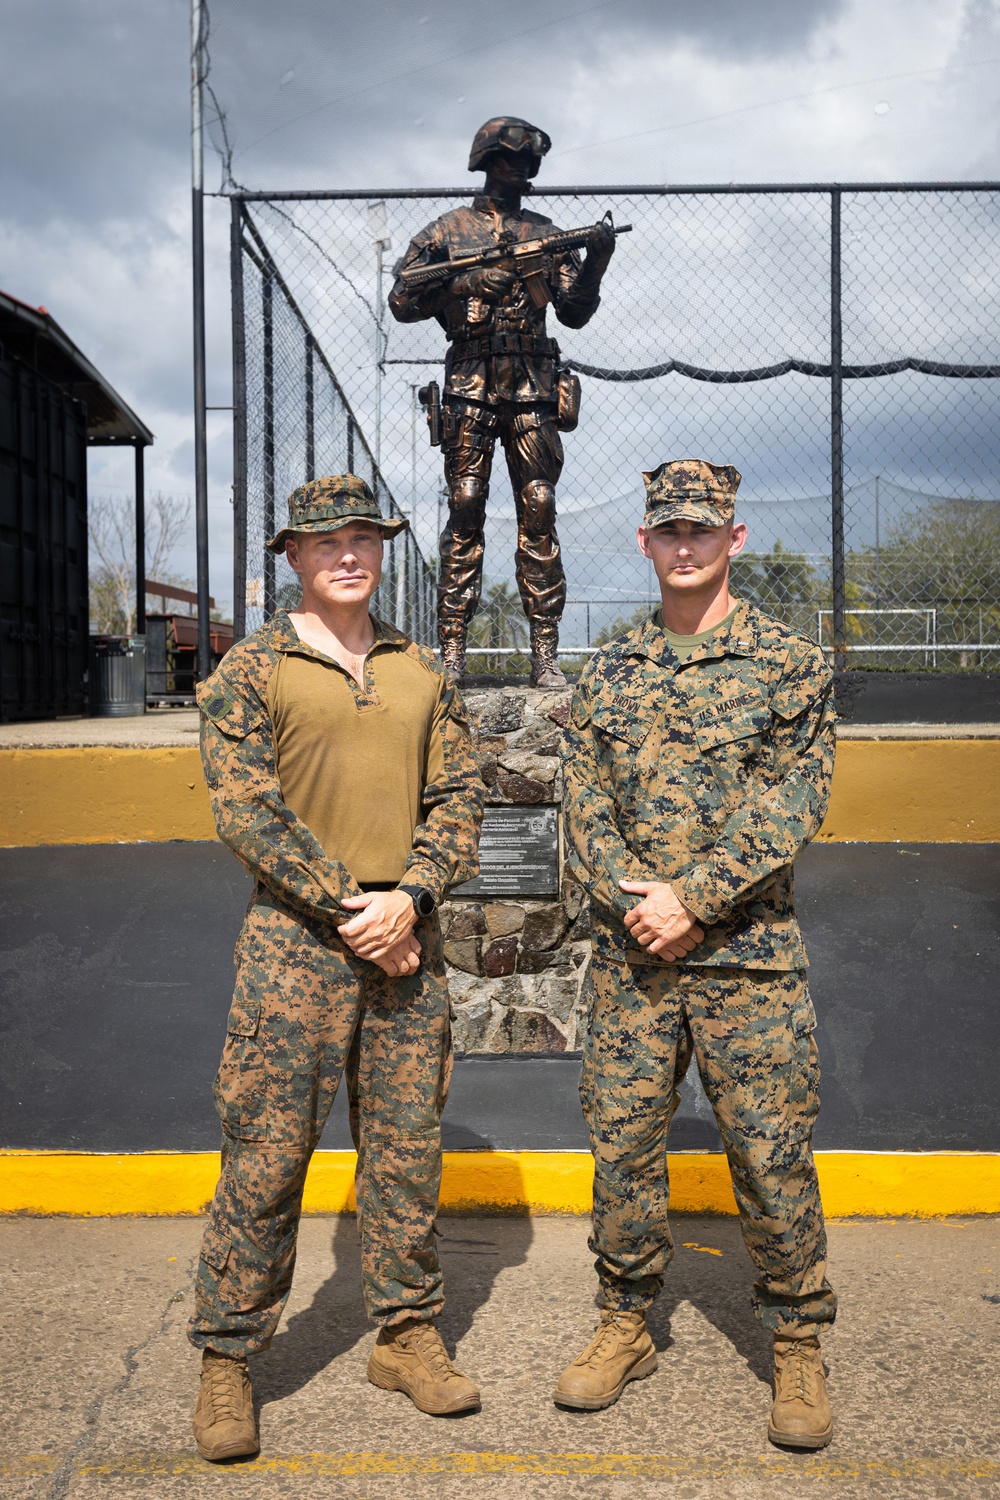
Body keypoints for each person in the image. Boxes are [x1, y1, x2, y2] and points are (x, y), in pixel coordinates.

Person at [187, 475, 484, 1463]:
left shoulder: (419, 671)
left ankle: (404, 1337)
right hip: (296, 949)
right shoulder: (250, 671)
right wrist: (357, 907)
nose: (349, 554)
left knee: (403, 1155)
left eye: (364, 538)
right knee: (267, 1159)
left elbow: (458, 801)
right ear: (294, 558)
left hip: (408, 937)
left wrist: (414, 896)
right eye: (327, 542)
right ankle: (229, 1360)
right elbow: (246, 811)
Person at [557, 459, 837, 1450]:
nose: (684, 544)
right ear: (643, 543)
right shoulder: (608, 674)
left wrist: (692, 899)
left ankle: (796, 1340)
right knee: (624, 1151)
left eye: (701, 530)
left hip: (745, 959)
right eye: (667, 530)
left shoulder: (790, 666)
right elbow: (583, 806)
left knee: (770, 1157)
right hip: (636, 959)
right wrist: (640, 906)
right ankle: (625, 1320)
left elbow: (791, 804)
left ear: (734, 538)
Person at [389, 115, 617, 689]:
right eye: (514, 159)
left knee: (538, 508)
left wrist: (597, 260)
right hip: (469, 380)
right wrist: (465, 285)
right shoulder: (447, 230)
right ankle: (452, 653)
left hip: (532, 384)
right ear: (488, 159)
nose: (524, 171)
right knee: (465, 506)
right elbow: (401, 299)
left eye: (530, 163)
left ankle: (544, 655)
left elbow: (575, 312)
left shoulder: (546, 230)